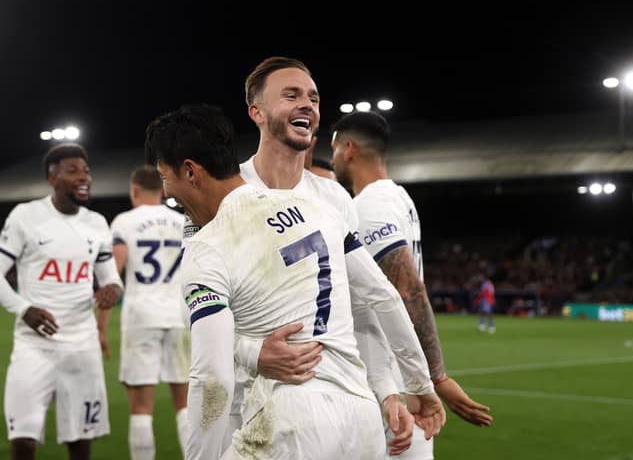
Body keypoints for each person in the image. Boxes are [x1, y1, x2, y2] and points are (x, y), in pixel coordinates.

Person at [144, 103, 395, 459]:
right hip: (361, 415)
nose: (167, 193)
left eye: (164, 177)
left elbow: (212, 378)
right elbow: (383, 295)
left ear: (189, 171)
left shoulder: (208, 246)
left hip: (290, 419)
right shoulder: (318, 207)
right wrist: (418, 383)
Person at [234, 56, 445, 447]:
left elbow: (369, 301)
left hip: (351, 410)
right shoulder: (229, 194)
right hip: (269, 406)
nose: (307, 105)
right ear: (256, 112)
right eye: (291, 95)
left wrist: (393, 387)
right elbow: (197, 307)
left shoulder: (333, 198)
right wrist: (251, 353)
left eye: (313, 98)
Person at [330, 111, 494, 458]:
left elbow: (409, 290)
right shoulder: (400, 198)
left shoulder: (369, 205)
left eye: (333, 150)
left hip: (393, 386)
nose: (332, 161)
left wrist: (437, 377)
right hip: (398, 381)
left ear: (348, 148)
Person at [0, 143, 122, 460]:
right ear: (52, 178)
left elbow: (111, 277)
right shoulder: (26, 217)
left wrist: (113, 289)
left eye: (86, 170)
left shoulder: (97, 223)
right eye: (73, 171)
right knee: (23, 437)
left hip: (82, 346)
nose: (83, 177)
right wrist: (23, 309)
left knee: (80, 442)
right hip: (34, 345)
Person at [98, 165, 189, 460]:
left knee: (140, 408)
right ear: (162, 191)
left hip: (141, 316)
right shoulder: (182, 221)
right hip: (180, 316)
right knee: (185, 404)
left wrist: (101, 326)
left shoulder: (124, 222)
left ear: (134, 190)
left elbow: (113, 276)